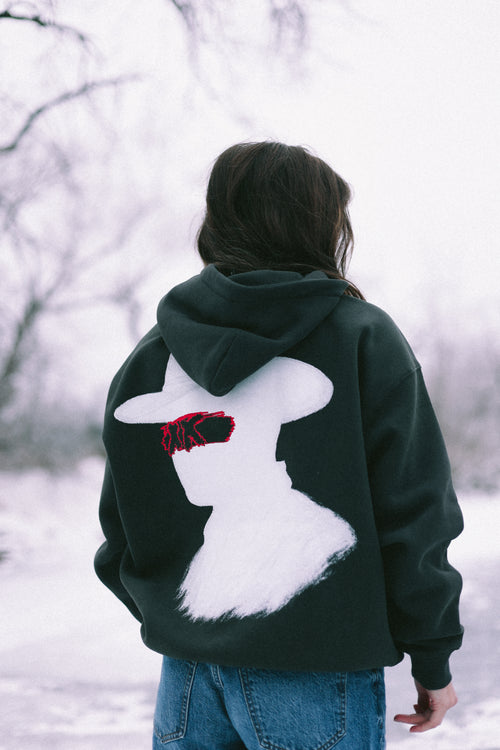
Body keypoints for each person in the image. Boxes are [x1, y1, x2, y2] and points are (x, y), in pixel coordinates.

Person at [95, 141, 463, 749]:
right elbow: (414, 511)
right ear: (323, 226)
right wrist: (432, 656)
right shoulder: (362, 337)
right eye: (180, 435)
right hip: (310, 672)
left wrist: (173, 621)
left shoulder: (155, 350)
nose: (189, 451)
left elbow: (121, 525)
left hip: (189, 676)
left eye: (206, 432)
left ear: (219, 219)